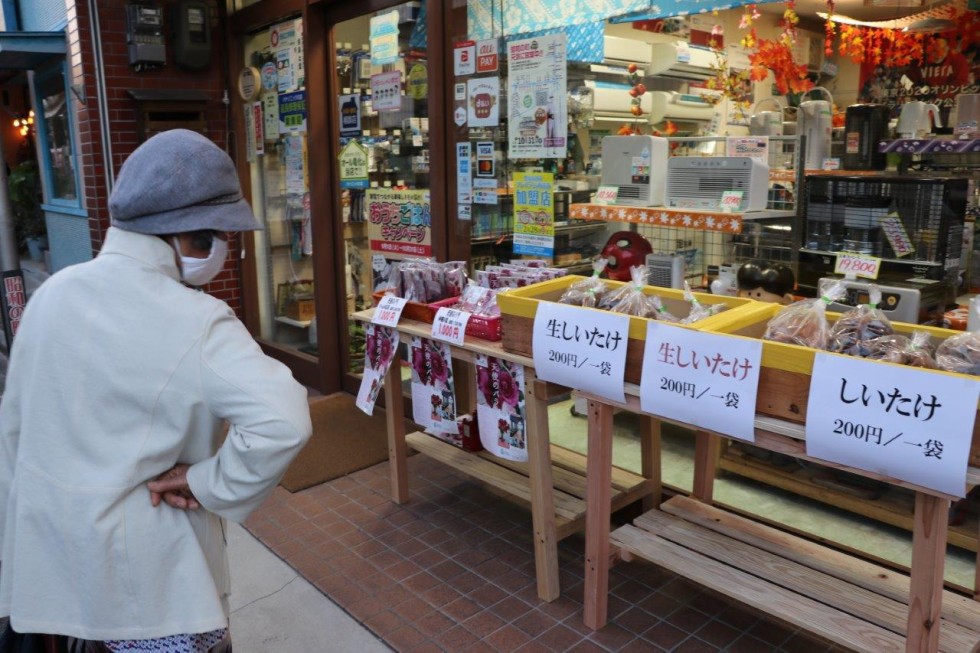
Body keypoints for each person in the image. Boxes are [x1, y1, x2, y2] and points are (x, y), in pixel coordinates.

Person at [0, 129, 313, 651]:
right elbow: (283, 422)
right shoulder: (197, 320)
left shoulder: (51, 295)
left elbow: (14, 433)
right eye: (221, 234)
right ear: (190, 237)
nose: (225, 248)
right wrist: (206, 481)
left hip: (54, 573)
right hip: (152, 583)